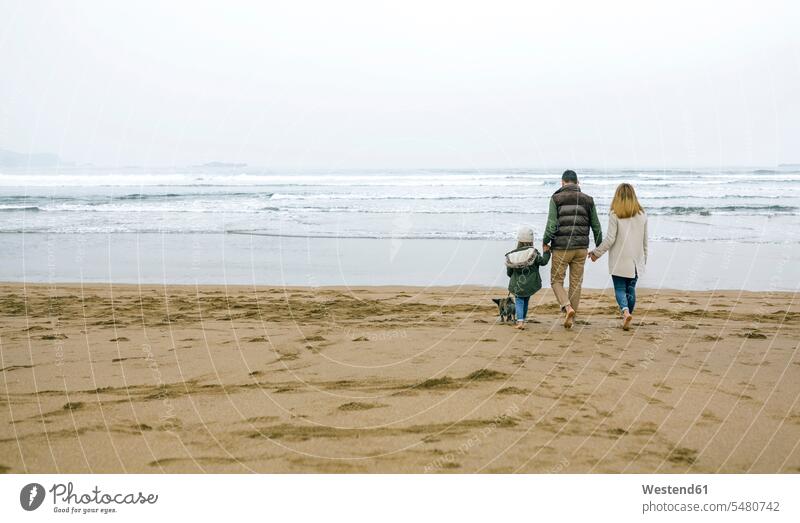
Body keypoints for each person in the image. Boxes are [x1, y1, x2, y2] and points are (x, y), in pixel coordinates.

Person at [542, 170, 603, 329]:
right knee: (576, 283)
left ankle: (567, 307)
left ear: (562, 182)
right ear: (577, 182)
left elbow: (551, 224)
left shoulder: (556, 198)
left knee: (556, 280)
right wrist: (599, 248)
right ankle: (572, 318)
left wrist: (545, 241)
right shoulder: (588, 200)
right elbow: (596, 226)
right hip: (581, 248)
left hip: (562, 247)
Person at [589, 183, 648, 331]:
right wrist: (643, 260)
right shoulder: (643, 215)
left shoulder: (615, 214)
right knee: (631, 289)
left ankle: (625, 312)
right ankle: (628, 314)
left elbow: (610, 239)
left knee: (620, 289)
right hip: (636, 260)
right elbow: (645, 241)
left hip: (619, 260)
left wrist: (596, 253)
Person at [505, 226, 551, 330]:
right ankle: (523, 318)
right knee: (525, 299)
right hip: (530, 284)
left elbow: (509, 271)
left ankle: (520, 321)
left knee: (519, 300)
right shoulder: (534, 253)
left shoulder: (513, 254)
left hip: (517, 284)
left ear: (519, 240)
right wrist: (547, 252)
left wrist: (512, 277)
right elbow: (543, 262)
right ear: (531, 241)